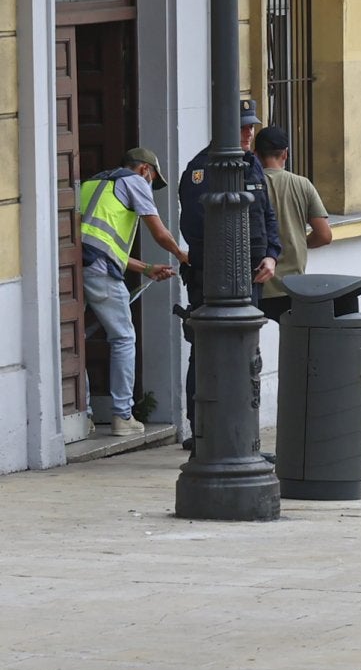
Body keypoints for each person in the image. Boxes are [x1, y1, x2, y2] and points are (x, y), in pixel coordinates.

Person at [177, 98, 282, 448]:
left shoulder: (251, 165)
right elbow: (194, 226)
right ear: (223, 129)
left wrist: (271, 256)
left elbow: (267, 216)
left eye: (252, 126)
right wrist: (227, 262)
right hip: (214, 277)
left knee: (247, 354)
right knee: (206, 351)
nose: (250, 133)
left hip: (252, 276)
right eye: (243, 127)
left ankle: (243, 435)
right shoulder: (201, 169)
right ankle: (202, 430)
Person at [80, 148, 188, 436]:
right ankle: (122, 416)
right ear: (144, 170)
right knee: (124, 338)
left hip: (74, 269)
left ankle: (83, 416)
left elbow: (100, 244)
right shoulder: (135, 181)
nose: (150, 186)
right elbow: (159, 232)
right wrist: (181, 254)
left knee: (73, 341)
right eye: (152, 180)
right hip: (100, 272)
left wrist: (146, 268)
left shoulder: (92, 184)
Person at [253, 125, 332, 323]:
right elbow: (324, 235)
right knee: (294, 344)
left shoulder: (251, 185)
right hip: (294, 285)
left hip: (258, 283)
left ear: (255, 154)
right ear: (286, 154)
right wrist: (301, 241)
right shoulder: (302, 184)